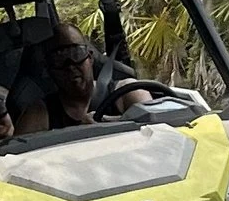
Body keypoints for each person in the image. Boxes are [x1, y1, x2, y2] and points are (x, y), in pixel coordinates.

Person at [9, 21, 154, 135]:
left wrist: (107, 122)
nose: (70, 66)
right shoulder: (40, 113)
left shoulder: (127, 92)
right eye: (59, 59)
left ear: (90, 58)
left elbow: (157, 126)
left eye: (76, 54)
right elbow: (18, 157)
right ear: (49, 69)